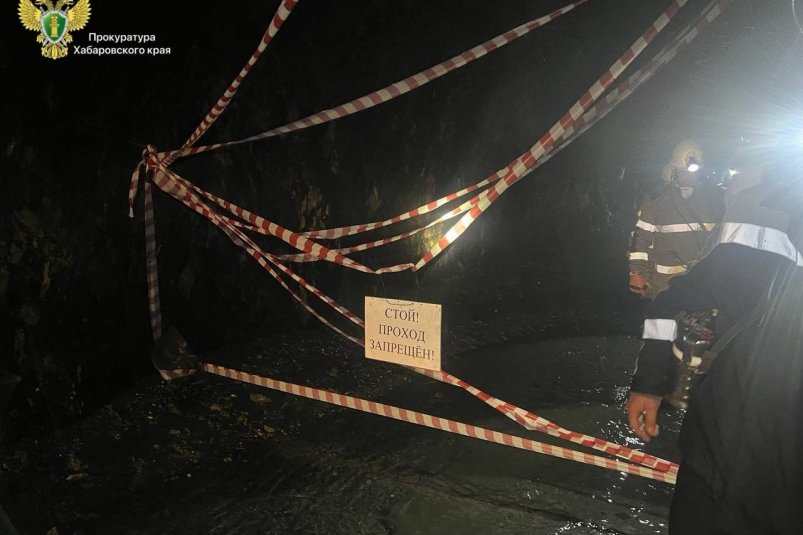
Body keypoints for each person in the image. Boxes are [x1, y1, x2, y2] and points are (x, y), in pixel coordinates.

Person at [626, 150, 803, 534]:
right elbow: (667, 291)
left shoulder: (745, 216)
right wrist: (651, 381)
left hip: (730, 462)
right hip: (720, 453)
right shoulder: (668, 202)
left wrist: (651, 381)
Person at [628, 139, 725, 299]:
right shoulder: (656, 198)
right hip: (664, 283)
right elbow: (641, 237)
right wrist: (636, 272)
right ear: (673, 170)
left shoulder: (717, 197)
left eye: (694, 171)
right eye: (683, 171)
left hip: (704, 279)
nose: (689, 175)